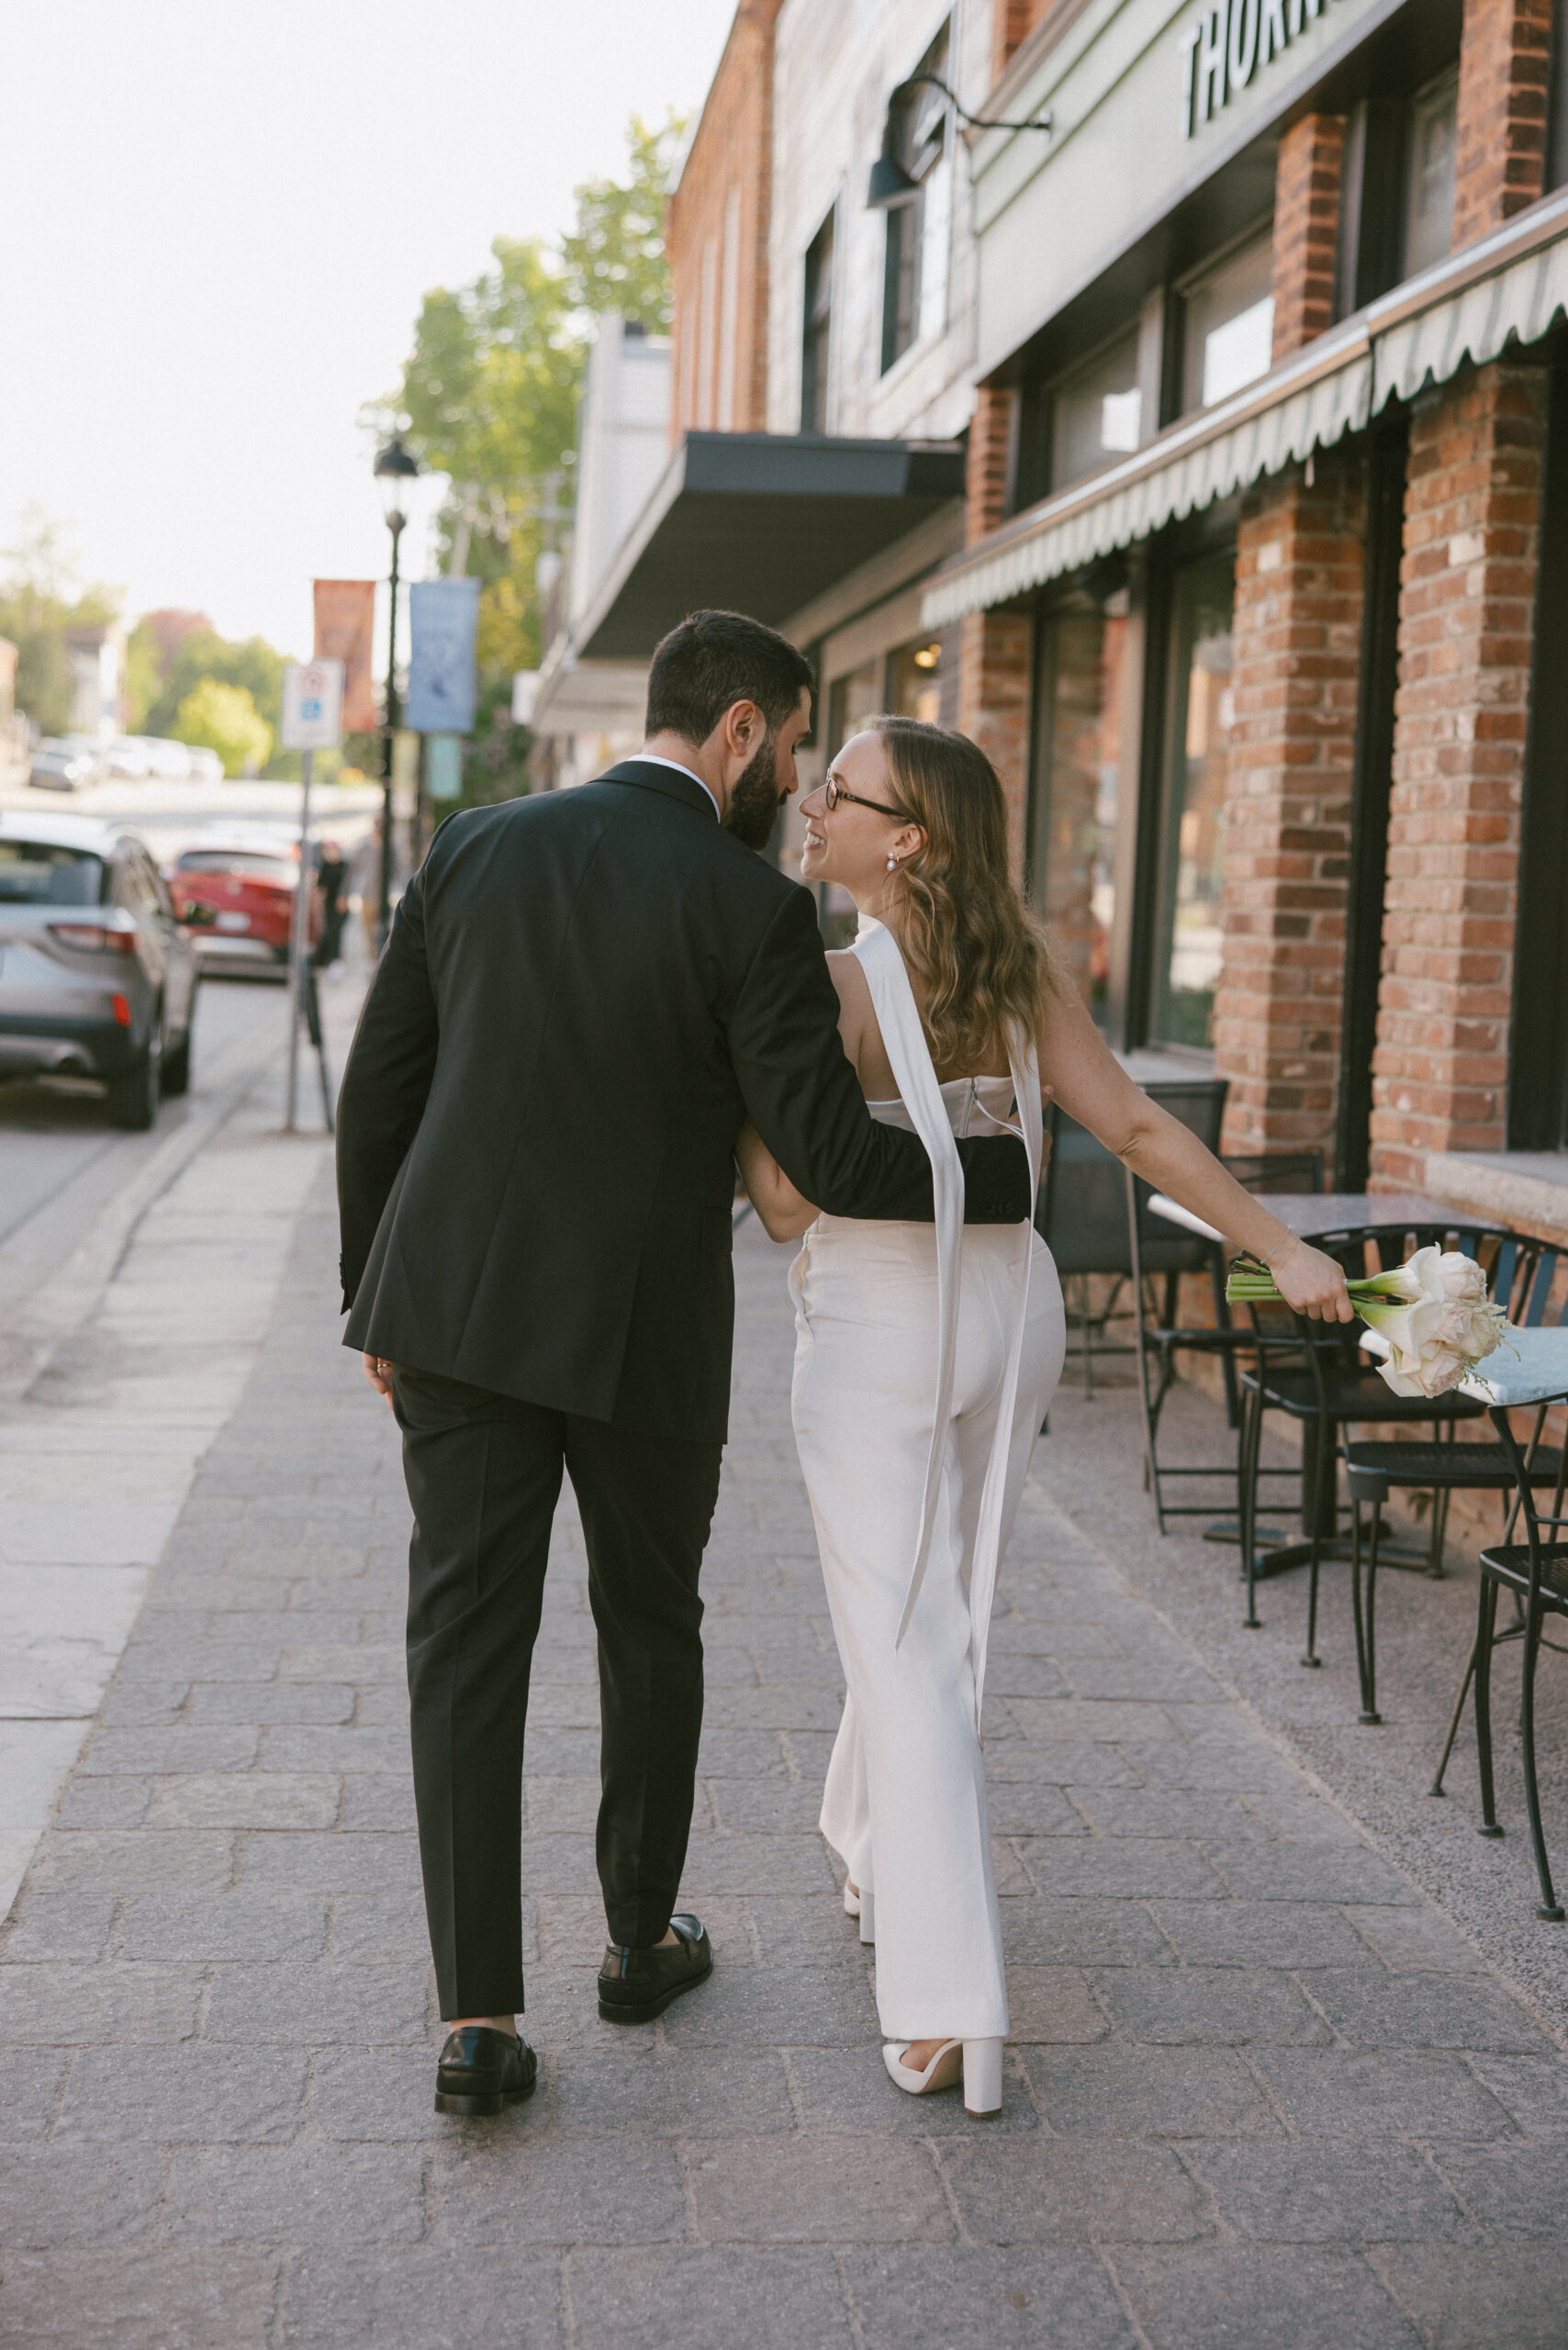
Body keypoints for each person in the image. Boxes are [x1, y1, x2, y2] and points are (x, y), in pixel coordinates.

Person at [334, 610, 1039, 2119]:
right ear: (735, 730)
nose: (794, 784)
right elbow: (834, 1155)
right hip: (644, 1335)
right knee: (647, 1624)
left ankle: (475, 2021)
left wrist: (370, 1297)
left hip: (452, 1316)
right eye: (791, 748)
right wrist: (1020, 1183)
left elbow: (379, 1085)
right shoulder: (745, 911)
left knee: (463, 1646)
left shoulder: (473, 845)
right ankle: (640, 1941)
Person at [735, 716, 1353, 2117]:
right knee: (936, 1606)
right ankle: (868, 1838)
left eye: (843, 790)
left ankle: (952, 2010)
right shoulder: (1021, 979)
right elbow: (1135, 1127)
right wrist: (1281, 1248)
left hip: (883, 1329)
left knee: (903, 1642)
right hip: (1014, 1316)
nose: (812, 799)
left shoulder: (823, 984)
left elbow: (781, 1208)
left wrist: (737, 1090)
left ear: (906, 839)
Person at [313, 838, 348, 970]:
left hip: (340, 903)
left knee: (337, 930)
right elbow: (321, 886)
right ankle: (328, 958)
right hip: (328, 904)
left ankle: (336, 958)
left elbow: (347, 883)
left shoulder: (344, 866)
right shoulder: (326, 866)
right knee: (328, 930)